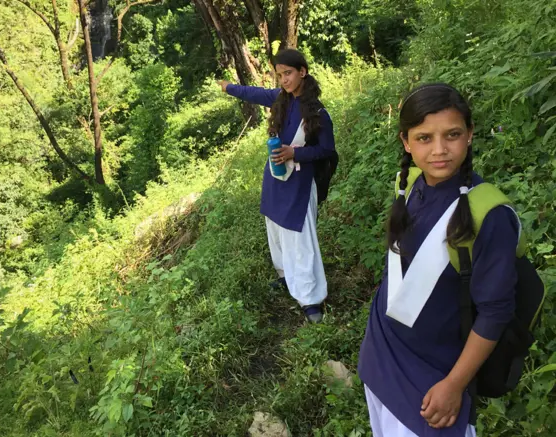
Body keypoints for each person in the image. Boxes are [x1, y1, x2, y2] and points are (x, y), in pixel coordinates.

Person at [358, 83, 519, 436]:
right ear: (406, 142)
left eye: (452, 134)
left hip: (433, 378)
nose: (439, 150)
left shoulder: (488, 215)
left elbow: (495, 312)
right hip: (382, 356)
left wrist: (454, 385)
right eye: (424, 138)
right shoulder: (411, 184)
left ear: (470, 135)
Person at [218, 49, 336, 323]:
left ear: (302, 72)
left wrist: (295, 153)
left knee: (300, 237)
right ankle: (286, 276)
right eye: (279, 74)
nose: (283, 79)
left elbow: (327, 151)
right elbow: (254, 93)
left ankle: (311, 299)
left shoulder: (318, 113)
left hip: (300, 183)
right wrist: (228, 87)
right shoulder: (280, 101)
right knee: (276, 228)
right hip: (276, 177)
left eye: (288, 73)